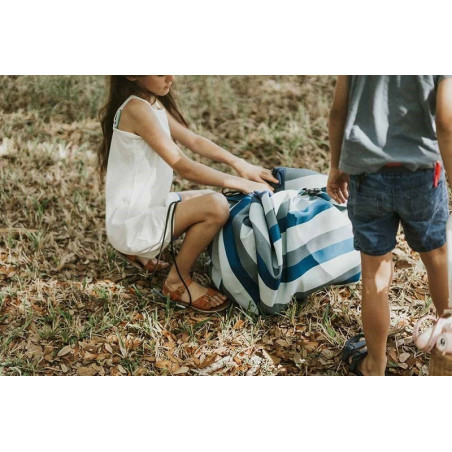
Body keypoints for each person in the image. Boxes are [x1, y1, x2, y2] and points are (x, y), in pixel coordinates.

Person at [98, 75, 278, 313]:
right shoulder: (136, 109)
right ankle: (177, 281)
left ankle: (139, 253)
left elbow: (194, 141)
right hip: (132, 227)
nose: (171, 76)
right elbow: (182, 166)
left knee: (205, 197)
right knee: (216, 206)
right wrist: (242, 183)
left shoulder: (151, 103)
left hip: (141, 213)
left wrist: (240, 163)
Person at [327, 75, 452, 376]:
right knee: (436, 259)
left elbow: (338, 112)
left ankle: (375, 365)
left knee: (375, 273)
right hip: (422, 174)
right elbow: (446, 122)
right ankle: (447, 344)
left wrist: (336, 165)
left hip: (367, 175)